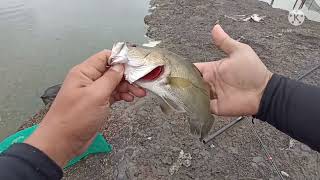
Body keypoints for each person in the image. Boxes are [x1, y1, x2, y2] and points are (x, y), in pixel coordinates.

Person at [0, 24, 319, 179]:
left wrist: (269, 94)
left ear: (152, 57)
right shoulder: (148, 67)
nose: (128, 48)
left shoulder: (157, 65)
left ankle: (200, 119)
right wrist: (269, 94)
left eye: (136, 46)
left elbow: (179, 81)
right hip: (186, 86)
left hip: (182, 86)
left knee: (192, 110)